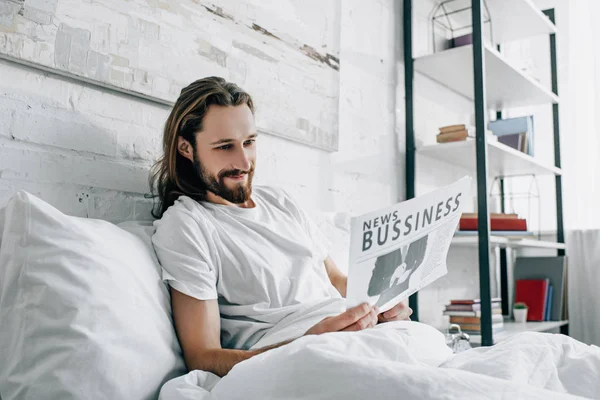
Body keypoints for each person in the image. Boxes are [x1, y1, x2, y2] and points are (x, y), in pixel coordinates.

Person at [150, 77, 412, 378]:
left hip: (361, 338)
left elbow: (337, 279)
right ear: (186, 147)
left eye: (249, 142)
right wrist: (306, 342)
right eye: (225, 147)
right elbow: (203, 357)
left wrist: (382, 303)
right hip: (299, 360)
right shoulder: (188, 224)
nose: (244, 161)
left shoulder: (280, 201)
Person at [367, 234, 428, 308]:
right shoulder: (386, 246)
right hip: (387, 307)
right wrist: (393, 277)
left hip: (410, 300)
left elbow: (422, 260)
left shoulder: (421, 237)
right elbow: (372, 289)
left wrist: (410, 272)